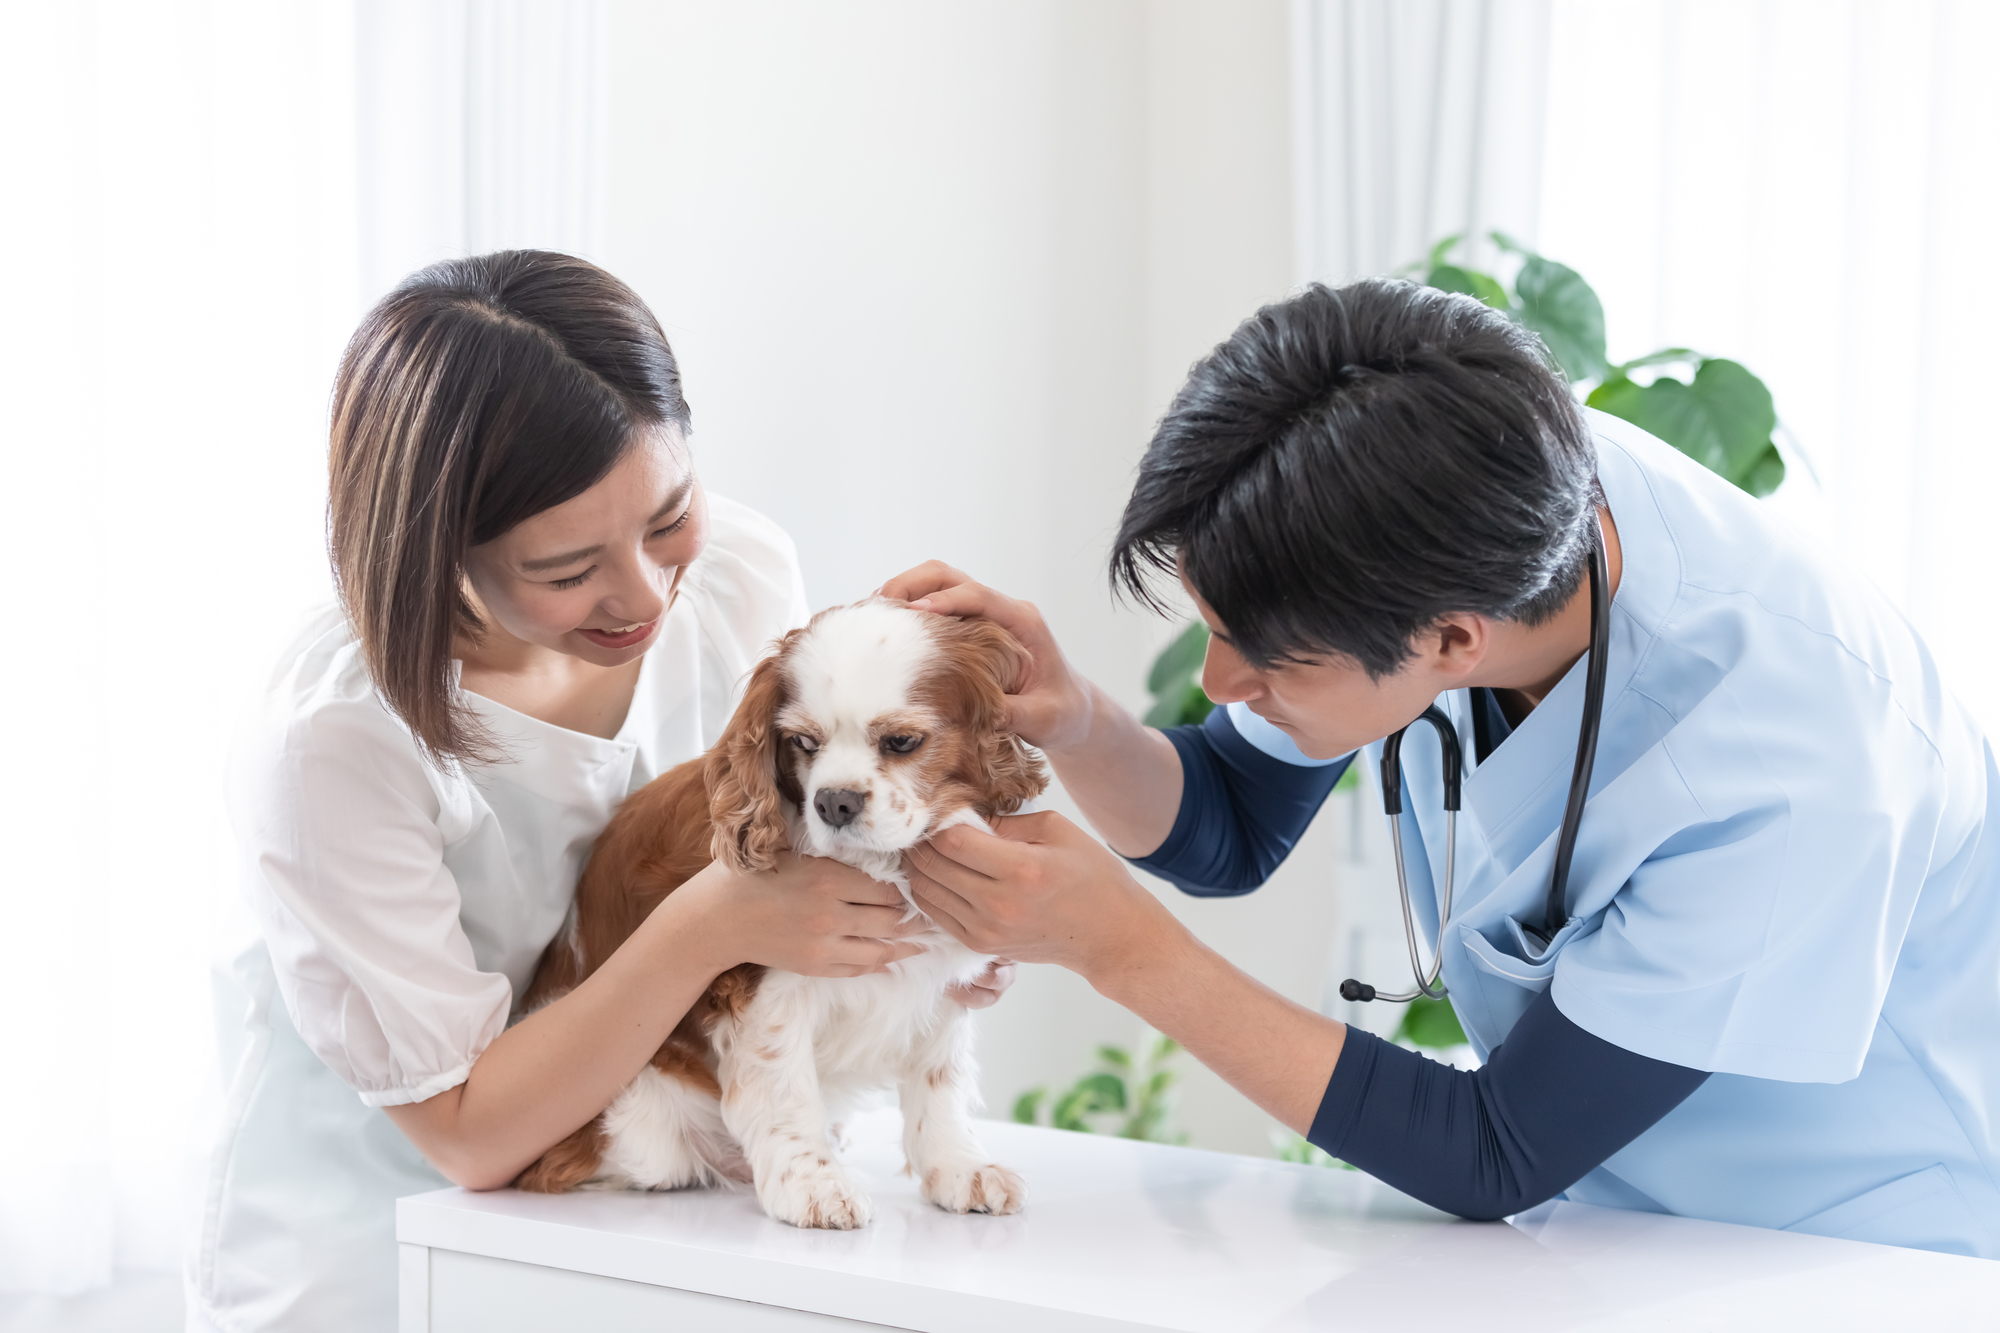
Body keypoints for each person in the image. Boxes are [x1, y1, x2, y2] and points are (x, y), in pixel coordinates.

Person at [892, 278, 2000, 1258]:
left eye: (1266, 655)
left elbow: (1495, 1151)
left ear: (1453, 641)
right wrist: (1077, 720)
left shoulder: (1792, 763)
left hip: (1846, 1250)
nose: (1220, 680)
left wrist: (1121, 951)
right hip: (1593, 1234)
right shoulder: (1447, 498)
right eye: (1215, 628)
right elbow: (1224, 825)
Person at [187, 251, 1008, 1333]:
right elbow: (470, 1132)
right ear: (438, 553)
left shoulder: (737, 576)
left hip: (657, 1215)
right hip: (374, 1245)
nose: (644, 590)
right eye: (568, 570)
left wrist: (919, 952)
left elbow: (799, 876)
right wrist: (712, 923)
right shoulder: (331, 742)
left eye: (668, 515)